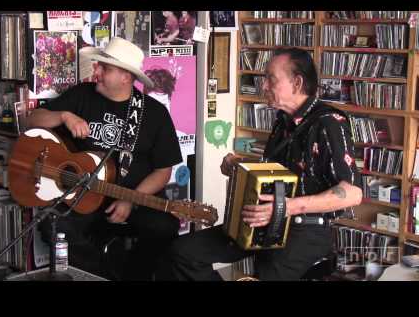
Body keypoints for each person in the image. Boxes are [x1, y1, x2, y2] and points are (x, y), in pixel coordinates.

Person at [156, 47, 363, 281]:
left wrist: (286, 207)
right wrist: (240, 165)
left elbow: (352, 193)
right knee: (184, 252)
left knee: (264, 273)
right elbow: (285, 170)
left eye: (270, 79)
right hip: (264, 220)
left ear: (296, 83)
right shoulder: (283, 120)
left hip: (305, 229)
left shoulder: (329, 123)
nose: (263, 86)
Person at [26, 37, 183, 280]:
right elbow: (32, 120)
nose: (95, 71)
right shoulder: (82, 95)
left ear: (126, 77)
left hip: (133, 199)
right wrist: (64, 116)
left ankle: (132, 275)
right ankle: (102, 275)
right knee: (53, 224)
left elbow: (163, 171)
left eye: (104, 68)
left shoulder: (154, 114)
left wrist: (130, 201)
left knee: (165, 228)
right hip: (82, 197)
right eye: (98, 65)